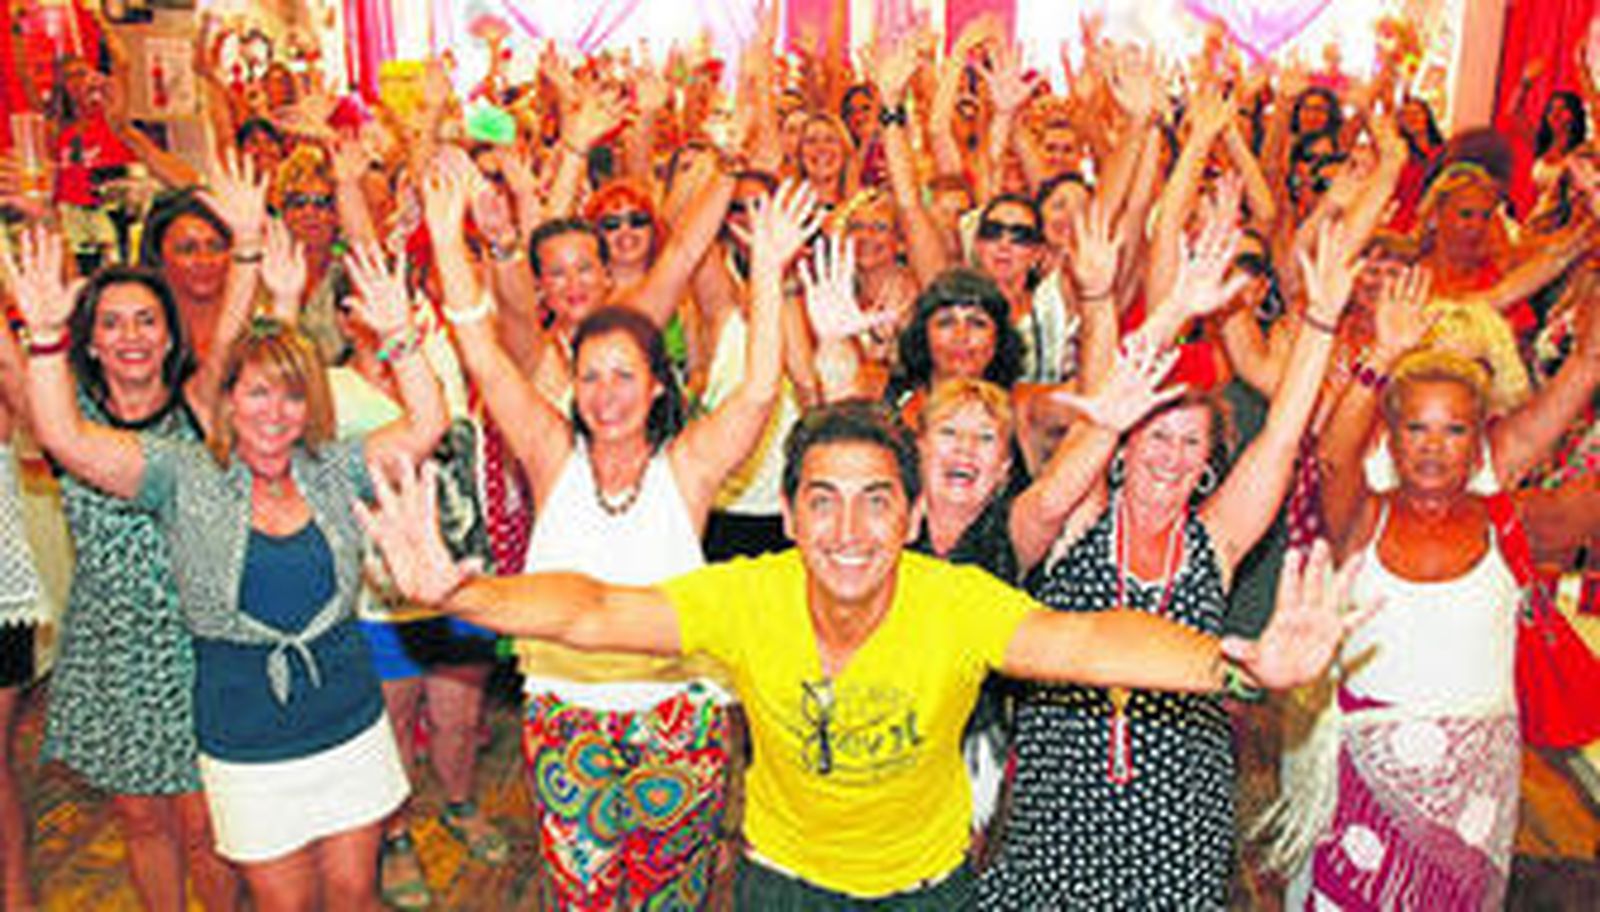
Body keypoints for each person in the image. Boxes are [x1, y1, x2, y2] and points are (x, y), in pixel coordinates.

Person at [356, 397, 1362, 908]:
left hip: (928, 893)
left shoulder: (952, 600)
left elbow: (1088, 639)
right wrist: (460, 591)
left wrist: (1244, 668)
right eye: (823, 500)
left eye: (878, 499)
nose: (849, 529)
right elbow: (587, 608)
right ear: (787, 515)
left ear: (915, 513)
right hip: (782, 886)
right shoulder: (745, 596)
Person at [10, 226, 447, 911]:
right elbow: (64, 436)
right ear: (227, 401)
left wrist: (401, 338)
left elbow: (426, 425)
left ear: (310, 407)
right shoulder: (184, 475)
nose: (275, 414)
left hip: (350, 723)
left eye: (291, 397)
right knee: (284, 903)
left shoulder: (330, 469)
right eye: (256, 395)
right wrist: (44, 337)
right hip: (246, 742)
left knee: (355, 893)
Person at [425, 149, 812, 909]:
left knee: (671, 897)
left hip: (679, 719)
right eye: (592, 375)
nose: (606, 395)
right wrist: (447, 236)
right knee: (583, 897)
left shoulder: (688, 467)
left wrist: (766, 271)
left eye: (625, 374)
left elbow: (761, 391)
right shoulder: (549, 453)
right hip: (567, 714)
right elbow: (483, 351)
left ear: (656, 384)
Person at [978, 216, 1356, 908]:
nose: (1169, 455)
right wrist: (1132, 310)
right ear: (1122, 444)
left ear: (1209, 464)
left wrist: (1323, 322)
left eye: (1190, 443)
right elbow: (1100, 408)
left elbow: (1281, 436)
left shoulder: (1214, 541)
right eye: (1155, 435)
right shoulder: (1081, 521)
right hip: (1062, 809)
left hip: (1183, 809)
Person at [12, 152, 265, 912]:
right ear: (88, 340)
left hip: (196, 643)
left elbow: (229, 332)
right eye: (112, 323)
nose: (130, 337)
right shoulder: (67, 418)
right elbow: (14, 364)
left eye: (146, 322)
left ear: (167, 337)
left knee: (202, 824)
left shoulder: (200, 402)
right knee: (140, 819)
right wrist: (33, 306)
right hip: (112, 643)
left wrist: (247, 246)